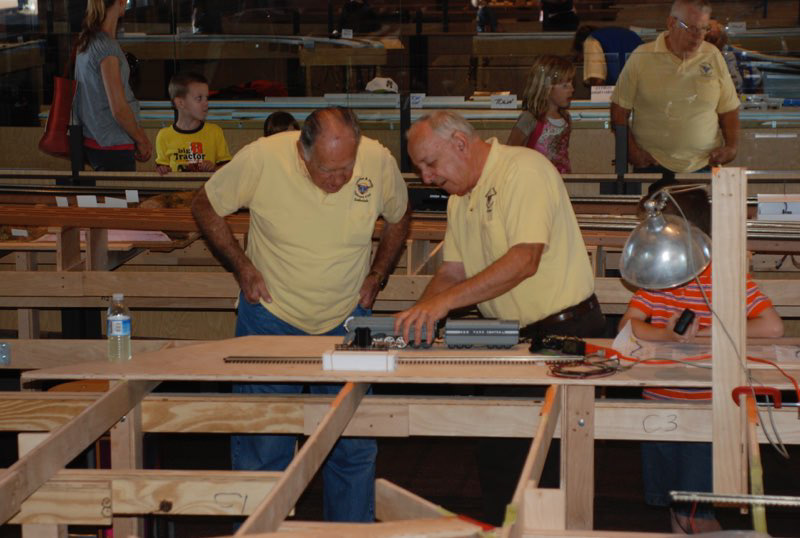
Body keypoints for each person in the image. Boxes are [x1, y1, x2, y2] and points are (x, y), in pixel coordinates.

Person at [191, 107, 410, 522]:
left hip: (347, 319)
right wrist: (243, 267)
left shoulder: (377, 160)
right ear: (302, 153)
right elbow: (204, 205)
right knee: (264, 446)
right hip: (271, 317)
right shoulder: (263, 158)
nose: (339, 180)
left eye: (347, 167)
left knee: (352, 445)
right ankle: (259, 530)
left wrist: (378, 274)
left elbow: (399, 218)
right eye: (327, 170)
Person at [398, 110, 604, 525]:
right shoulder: (460, 199)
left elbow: (524, 259)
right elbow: (452, 272)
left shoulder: (523, 170)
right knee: (498, 458)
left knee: (549, 468)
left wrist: (443, 305)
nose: (425, 177)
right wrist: (420, 312)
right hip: (507, 337)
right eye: (419, 167)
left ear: (459, 142)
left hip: (563, 333)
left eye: (430, 163)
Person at [619, 182, 783, 533]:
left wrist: (706, 333)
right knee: (677, 508)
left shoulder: (722, 276)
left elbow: (771, 327)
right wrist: (667, 334)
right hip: (660, 405)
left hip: (708, 410)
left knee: (696, 514)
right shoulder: (658, 276)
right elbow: (628, 327)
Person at [610, 0, 740, 189]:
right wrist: (631, 151)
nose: (698, 37)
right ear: (671, 23)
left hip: (705, 165)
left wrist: (731, 147)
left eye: (704, 29)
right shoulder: (641, 58)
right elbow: (619, 110)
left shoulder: (713, 56)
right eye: (692, 28)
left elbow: (729, 108)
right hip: (652, 166)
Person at [74, 0, 152, 171]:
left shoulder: (87, 41)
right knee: (120, 198)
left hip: (93, 139)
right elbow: (118, 107)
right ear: (120, 2)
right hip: (113, 143)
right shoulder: (107, 48)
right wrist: (141, 139)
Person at [506, 55, 575, 173]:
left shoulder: (566, 118)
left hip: (561, 179)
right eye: (565, 85)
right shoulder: (531, 118)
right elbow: (510, 151)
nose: (572, 89)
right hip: (535, 178)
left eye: (571, 84)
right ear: (546, 87)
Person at [155, 72, 231, 175]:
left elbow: (228, 168)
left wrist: (213, 168)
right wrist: (163, 170)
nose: (206, 103)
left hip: (205, 190)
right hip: (177, 191)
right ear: (180, 103)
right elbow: (162, 168)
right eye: (199, 98)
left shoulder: (214, 132)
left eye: (207, 98)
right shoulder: (164, 135)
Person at [572, 25, 643, 86]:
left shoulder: (591, 40)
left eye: (581, 59)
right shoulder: (629, 36)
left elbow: (597, 81)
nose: (581, 61)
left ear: (582, 45)